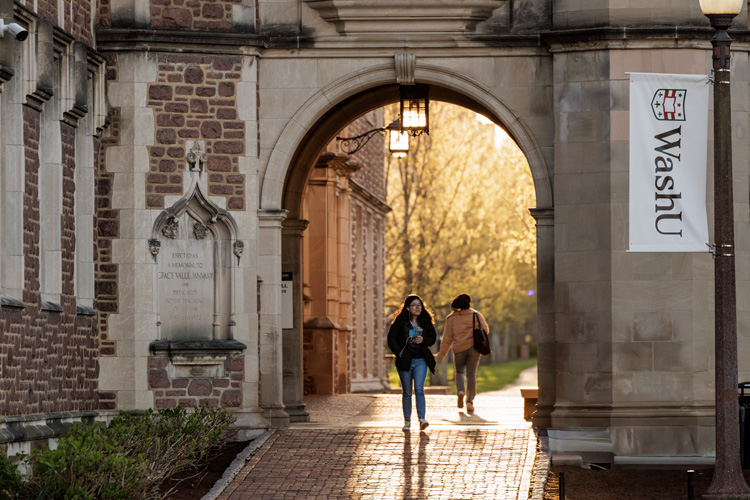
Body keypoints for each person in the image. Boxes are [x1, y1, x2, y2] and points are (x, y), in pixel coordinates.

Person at [387, 294, 437, 432]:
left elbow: (432, 338)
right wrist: (400, 352)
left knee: (419, 389)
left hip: (421, 360)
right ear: (408, 308)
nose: (417, 308)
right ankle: (407, 422)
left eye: (419, 305)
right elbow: (391, 339)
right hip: (405, 360)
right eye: (414, 305)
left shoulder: (425, 321)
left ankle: (422, 420)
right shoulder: (400, 321)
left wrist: (424, 340)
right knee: (407, 392)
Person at [435, 293, 489, 414]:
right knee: (471, 375)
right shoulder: (476, 314)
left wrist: (441, 355)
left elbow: (447, 338)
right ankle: (469, 401)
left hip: (458, 349)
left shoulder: (451, 318)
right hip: (474, 348)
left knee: (459, 372)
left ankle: (460, 391)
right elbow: (486, 330)